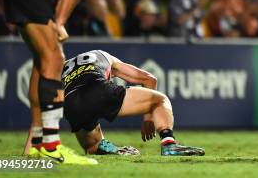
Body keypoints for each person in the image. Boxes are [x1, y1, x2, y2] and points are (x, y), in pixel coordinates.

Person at [0, 0, 156, 164]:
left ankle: (34, 143)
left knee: (44, 60)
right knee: (53, 57)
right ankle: (50, 146)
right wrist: (59, 21)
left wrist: (58, 17)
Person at [61, 49, 205, 156]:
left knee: (92, 146)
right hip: (97, 89)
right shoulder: (102, 55)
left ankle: (108, 148)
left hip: (71, 102)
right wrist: (148, 118)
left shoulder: (61, 67)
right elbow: (149, 79)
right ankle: (169, 144)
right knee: (160, 100)